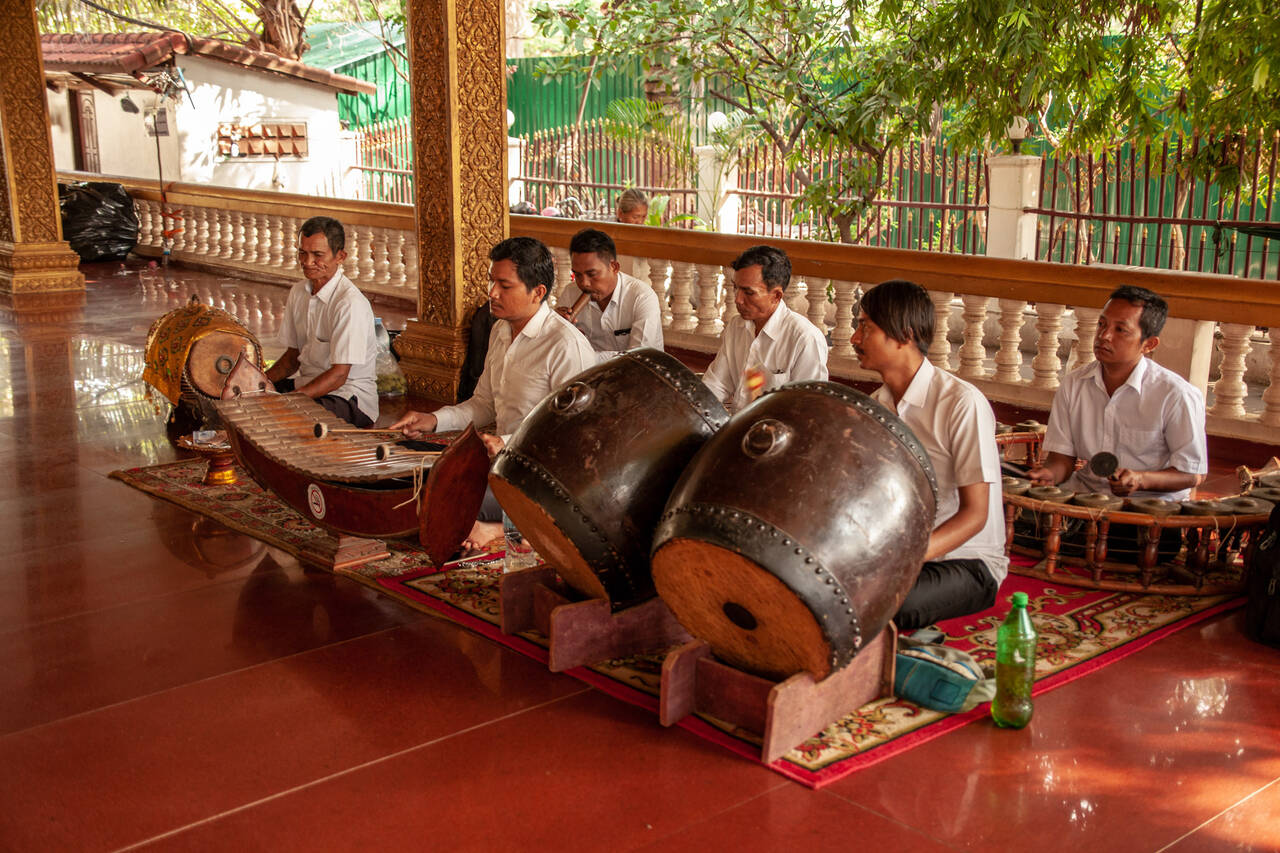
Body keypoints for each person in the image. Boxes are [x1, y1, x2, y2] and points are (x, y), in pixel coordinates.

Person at [390, 237, 596, 548]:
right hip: (502, 464)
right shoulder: (500, 329)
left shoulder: (565, 346)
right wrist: (432, 419)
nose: (492, 293)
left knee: (446, 499)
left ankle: (498, 529)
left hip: (546, 476)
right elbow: (483, 404)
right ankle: (488, 524)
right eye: (491, 281)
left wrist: (507, 442)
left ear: (538, 292)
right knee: (409, 478)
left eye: (504, 285)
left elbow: (571, 437)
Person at [852, 279, 1007, 630]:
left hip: (967, 564)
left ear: (904, 335)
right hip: (901, 555)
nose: (854, 339)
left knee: (875, 605)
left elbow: (976, 515)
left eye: (866, 327)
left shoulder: (961, 403)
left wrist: (903, 560)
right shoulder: (877, 406)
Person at [1028, 285, 1208, 502]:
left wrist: (1141, 480)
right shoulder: (1074, 384)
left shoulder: (1176, 395)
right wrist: (1049, 474)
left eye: (1120, 330)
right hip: (1087, 498)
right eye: (1102, 324)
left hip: (1151, 509)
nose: (1104, 336)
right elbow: (1061, 459)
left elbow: (1193, 473)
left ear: (1149, 344)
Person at [265, 216, 378, 427]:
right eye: (302, 253)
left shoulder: (349, 303)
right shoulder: (299, 292)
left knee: (288, 419)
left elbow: (339, 376)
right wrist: (259, 384)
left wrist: (292, 401)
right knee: (249, 400)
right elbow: (292, 358)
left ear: (340, 256)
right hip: (309, 386)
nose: (307, 262)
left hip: (348, 397)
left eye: (317, 255)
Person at [700, 245, 828, 413]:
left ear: (776, 295)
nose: (738, 299)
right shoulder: (736, 327)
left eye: (748, 292)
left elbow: (808, 410)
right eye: (735, 288)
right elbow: (717, 384)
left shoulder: (805, 338)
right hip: (737, 428)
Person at [556, 228, 663, 362]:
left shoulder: (641, 297)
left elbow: (639, 359)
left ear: (614, 267)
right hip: (589, 375)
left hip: (640, 375)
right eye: (577, 275)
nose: (584, 283)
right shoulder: (570, 293)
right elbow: (558, 352)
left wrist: (583, 357)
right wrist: (556, 328)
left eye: (592, 274)